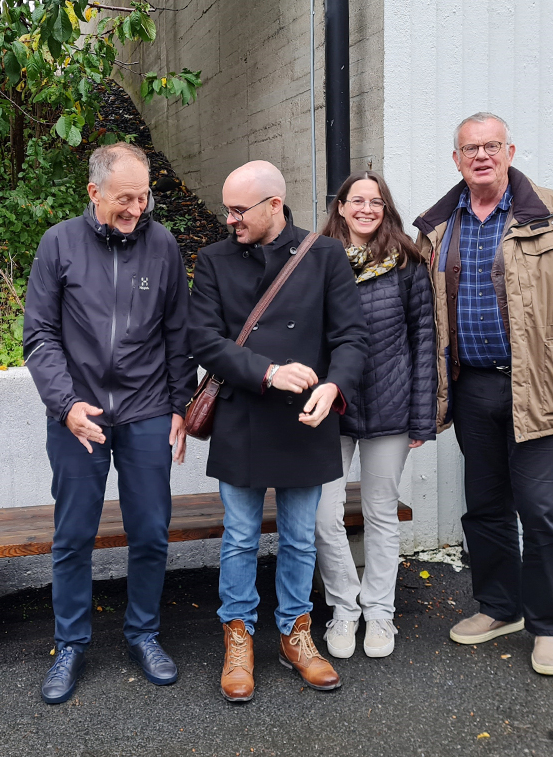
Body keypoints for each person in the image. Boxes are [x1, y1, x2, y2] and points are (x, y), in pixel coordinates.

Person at [412, 113, 553, 676]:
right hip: (472, 388)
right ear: (456, 159)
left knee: (541, 509)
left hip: (546, 387)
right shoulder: (438, 227)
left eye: (491, 145)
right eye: (470, 148)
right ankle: (499, 608)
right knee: (485, 507)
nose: (481, 155)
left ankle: (549, 626)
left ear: (510, 151)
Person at [188, 160, 367, 702]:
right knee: (240, 537)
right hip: (243, 414)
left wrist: (333, 387)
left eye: (239, 210)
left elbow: (351, 338)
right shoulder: (214, 260)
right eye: (226, 209)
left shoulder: (325, 255)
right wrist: (267, 372)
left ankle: (295, 633)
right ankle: (238, 635)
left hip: (305, 417)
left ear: (273, 205)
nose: (230, 219)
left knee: (298, 536)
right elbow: (204, 339)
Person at [23, 142, 196, 703]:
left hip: (148, 411)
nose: (136, 209)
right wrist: (66, 405)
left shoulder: (162, 244)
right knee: (74, 536)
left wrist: (180, 406)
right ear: (94, 192)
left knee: (150, 531)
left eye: (143, 198)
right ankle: (70, 644)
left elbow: (178, 333)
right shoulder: (58, 244)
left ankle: (143, 633)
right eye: (125, 198)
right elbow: (39, 335)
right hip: (79, 414)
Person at [314, 170, 436, 660]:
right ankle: (345, 608)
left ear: (386, 209)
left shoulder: (407, 262)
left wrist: (422, 415)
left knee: (381, 512)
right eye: (357, 200)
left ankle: (380, 612)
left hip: (391, 405)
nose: (366, 209)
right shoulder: (317, 259)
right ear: (341, 207)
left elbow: (424, 340)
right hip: (332, 406)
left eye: (376, 201)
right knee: (323, 514)